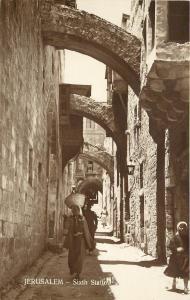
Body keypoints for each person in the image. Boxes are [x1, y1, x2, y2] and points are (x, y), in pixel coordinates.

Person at [63, 205, 93, 280]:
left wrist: (88, 242)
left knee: (80, 257)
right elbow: (66, 228)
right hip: (73, 241)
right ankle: (73, 270)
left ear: (79, 211)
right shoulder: (70, 218)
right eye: (73, 210)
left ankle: (78, 274)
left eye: (76, 210)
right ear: (72, 211)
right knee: (72, 257)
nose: (75, 212)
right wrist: (65, 219)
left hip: (81, 241)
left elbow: (86, 230)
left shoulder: (82, 219)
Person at [164, 221, 189, 294]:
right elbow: (170, 245)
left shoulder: (187, 237)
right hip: (176, 258)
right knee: (174, 272)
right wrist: (176, 249)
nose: (182, 228)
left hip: (185, 258)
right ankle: (174, 283)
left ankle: (186, 288)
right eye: (180, 227)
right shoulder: (174, 237)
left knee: (186, 273)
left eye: (183, 227)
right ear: (177, 228)